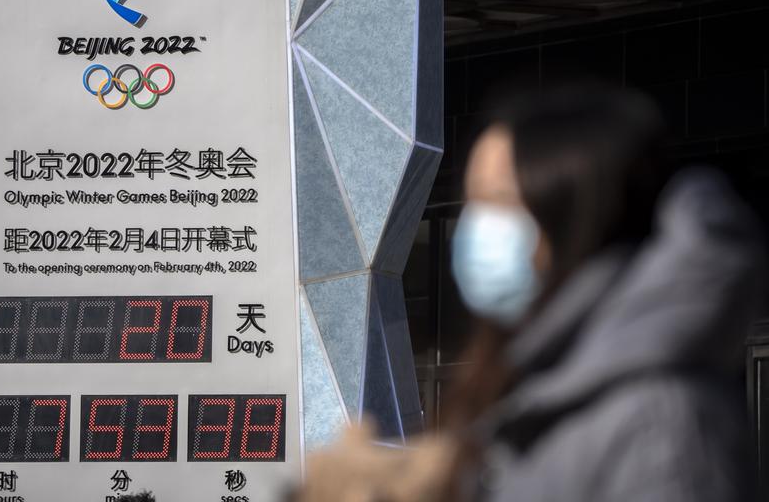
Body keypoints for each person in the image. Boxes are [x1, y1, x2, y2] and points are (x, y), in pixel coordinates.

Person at [294, 82, 768, 502]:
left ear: (575, 216)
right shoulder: (530, 389)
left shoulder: (661, 424)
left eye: (499, 202)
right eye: (472, 204)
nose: (477, 230)